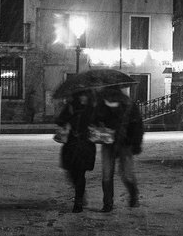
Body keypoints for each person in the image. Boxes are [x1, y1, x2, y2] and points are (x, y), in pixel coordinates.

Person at [93, 85, 144, 213]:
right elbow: (138, 125)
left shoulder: (126, 104)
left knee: (109, 174)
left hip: (119, 142)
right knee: (123, 173)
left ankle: (109, 204)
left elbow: (137, 124)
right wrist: (136, 143)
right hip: (119, 142)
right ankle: (128, 197)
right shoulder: (104, 104)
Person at [56, 91, 96, 213]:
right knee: (73, 173)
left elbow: (98, 122)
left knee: (79, 174)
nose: (83, 98)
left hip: (83, 145)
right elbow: (60, 121)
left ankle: (78, 201)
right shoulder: (71, 106)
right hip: (74, 145)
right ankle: (80, 195)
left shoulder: (92, 108)